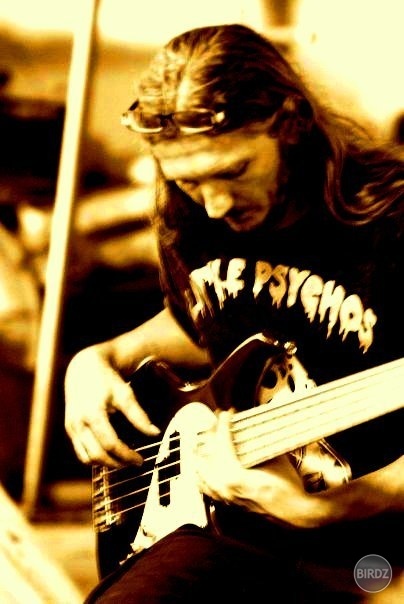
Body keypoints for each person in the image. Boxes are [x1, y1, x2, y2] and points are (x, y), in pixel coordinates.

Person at [64, 24, 404, 603]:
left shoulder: (389, 220)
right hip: (231, 522)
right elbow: (204, 323)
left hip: (372, 546)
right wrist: (97, 359)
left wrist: (325, 510)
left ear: (292, 123)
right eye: (189, 180)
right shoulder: (191, 218)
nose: (215, 204)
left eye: (234, 171)